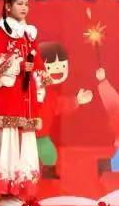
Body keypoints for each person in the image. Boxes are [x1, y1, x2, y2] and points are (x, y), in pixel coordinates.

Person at [0, 0, 44, 206]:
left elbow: (37, 63)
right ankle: (6, 193)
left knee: (22, 143)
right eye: (19, 3)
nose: (24, 8)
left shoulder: (28, 34)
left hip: (24, 99)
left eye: (26, 4)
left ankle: (17, 192)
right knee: (8, 142)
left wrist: (39, 74)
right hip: (7, 99)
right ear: (8, 6)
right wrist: (17, 65)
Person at [35, 42, 93, 181]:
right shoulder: (26, 88)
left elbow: (59, 105)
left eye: (62, 66)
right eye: (50, 66)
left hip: (41, 135)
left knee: (49, 153)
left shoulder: (51, 94)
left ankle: (48, 172)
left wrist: (77, 100)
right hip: (21, 134)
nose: (57, 69)